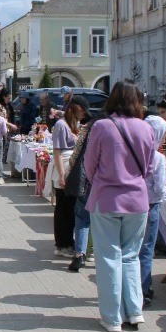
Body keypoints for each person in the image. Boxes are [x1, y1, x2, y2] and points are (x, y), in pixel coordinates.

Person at [84, 82, 155, 332]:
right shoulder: (146, 128)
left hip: (106, 198)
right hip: (137, 199)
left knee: (108, 258)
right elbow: (149, 167)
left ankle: (113, 317)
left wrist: (104, 181)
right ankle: (134, 311)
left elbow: (89, 165)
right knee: (131, 256)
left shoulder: (102, 126)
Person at [141, 114, 166, 308]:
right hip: (151, 205)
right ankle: (144, 289)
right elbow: (160, 188)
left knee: (131, 250)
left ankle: (131, 287)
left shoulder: (135, 152)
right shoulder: (158, 158)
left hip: (133, 205)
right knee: (146, 250)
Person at [66, 99, 97, 272]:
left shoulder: (87, 131)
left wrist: (72, 171)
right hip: (109, 183)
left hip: (87, 180)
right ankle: (95, 253)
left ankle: (80, 255)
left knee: (82, 217)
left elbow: (75, 156)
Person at [52, 98, 85, 259]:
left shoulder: (74, 125)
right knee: (63, 209)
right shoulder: (61, 125)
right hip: (64, 168)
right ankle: (61, 244)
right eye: (82, 111)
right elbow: (57, 151)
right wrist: (61, 174)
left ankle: (68, 242)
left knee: (70, 208)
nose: (83, 115)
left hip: (72, 169)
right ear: (76, 109)